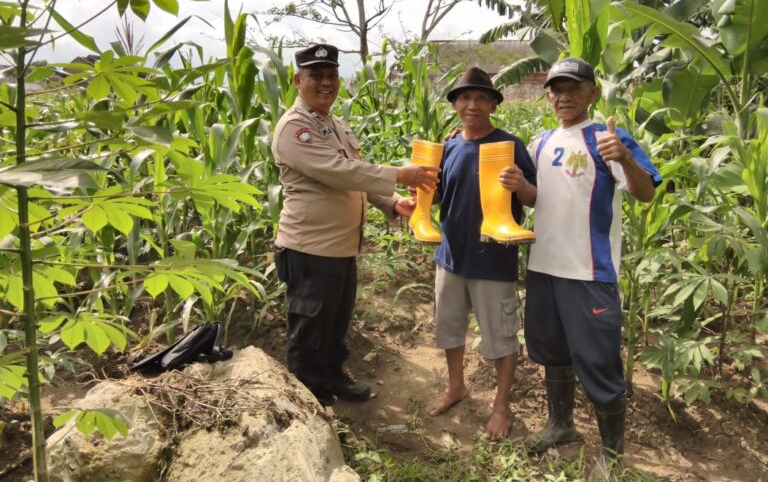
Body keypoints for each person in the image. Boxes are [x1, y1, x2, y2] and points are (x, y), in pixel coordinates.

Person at [517, 57, 662, 480]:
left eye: (574, 88)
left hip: (589, 271)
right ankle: (561, 425)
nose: (564, 96)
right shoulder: (540, 142)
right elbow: (535, 198)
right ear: (548, 95)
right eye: (556, 89)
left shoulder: (606, 138)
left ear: (593, 93)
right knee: (552, 350)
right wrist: (517, 184)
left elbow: (646, 193)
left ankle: (612, 455)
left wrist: (626, 159)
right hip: (544, 266)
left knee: (598, 361)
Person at [271, 43, 438, 407]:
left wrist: (394, 203)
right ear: (298, 80)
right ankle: (308, 401)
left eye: (332, 75)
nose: (326, 82)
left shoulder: (336, 125)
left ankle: (332, 377)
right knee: (309, 330)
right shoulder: (295, 129)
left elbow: (356, 181)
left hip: (341, 247)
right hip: (308, 248)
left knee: (334, 323)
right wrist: (399, 175)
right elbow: (339, 172)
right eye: (317, 76)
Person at [425, 67, 537, 440]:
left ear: (492, 104)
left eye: (480, 98)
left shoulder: (509, 145)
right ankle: (456, 386)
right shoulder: (449, 145)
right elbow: (440, 197)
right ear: (455, 104)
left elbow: (533, 198)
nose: (472, 105)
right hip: (451, 256)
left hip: (494, 259)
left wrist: (520, 184)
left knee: (500, 338)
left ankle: (501, 407)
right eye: (464, 98)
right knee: (449, 328)